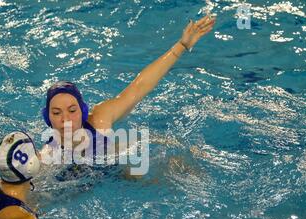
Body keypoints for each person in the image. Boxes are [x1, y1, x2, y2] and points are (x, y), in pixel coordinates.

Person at [40, 15, 216, 173]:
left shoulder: (100, 119)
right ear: (47, 117)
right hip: (83, 183)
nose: (66, 119)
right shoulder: (47, 158)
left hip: (117, 170)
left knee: (172, 164)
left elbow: (139, 87)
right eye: (57, 113)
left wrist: (182, 46)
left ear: (83, 111)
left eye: (72, 110)